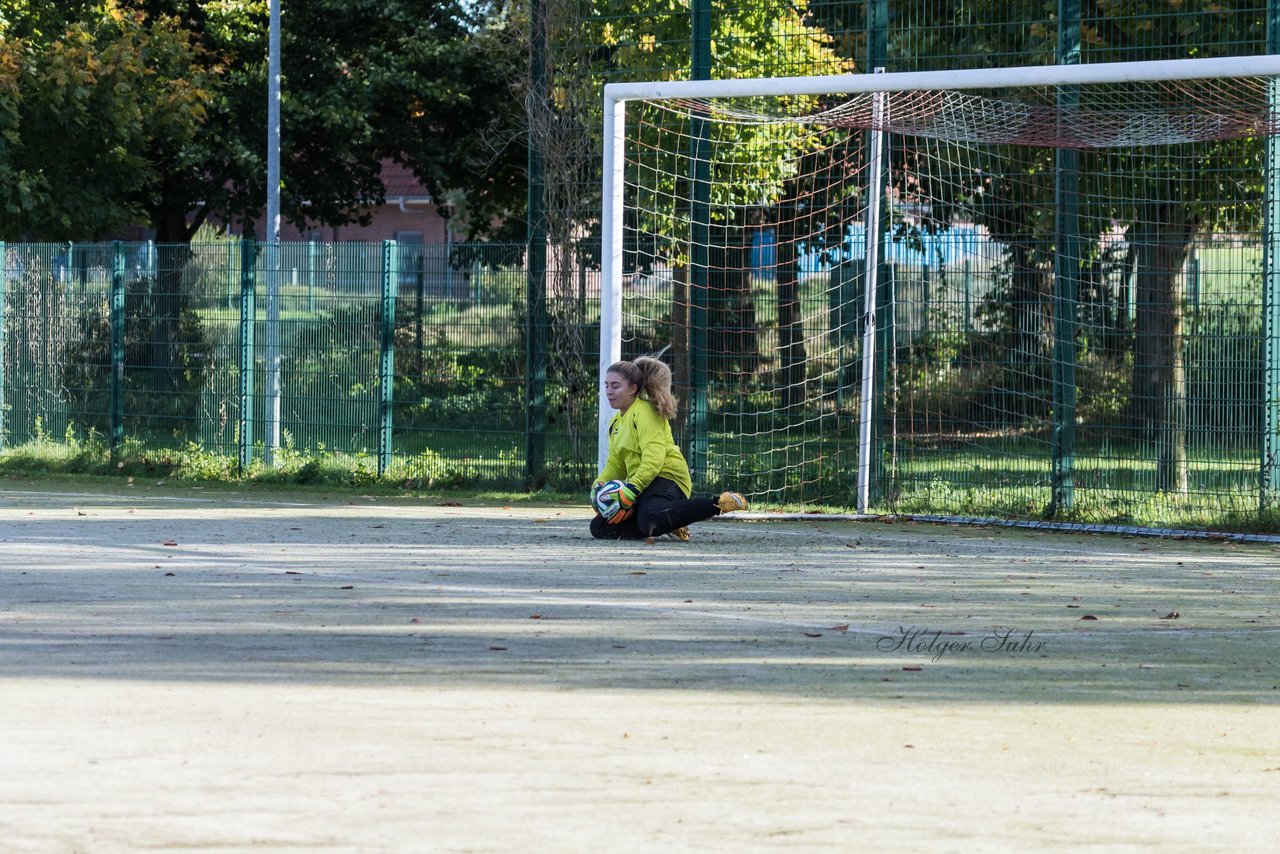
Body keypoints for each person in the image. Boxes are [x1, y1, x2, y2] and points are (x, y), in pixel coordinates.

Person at [590, 356, 747, 541]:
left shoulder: (644, 412)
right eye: (606, 385)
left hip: (667, 477)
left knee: (649, 520)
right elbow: (616, 463)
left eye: (615, 386)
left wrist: (632, 488)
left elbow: (654, 459)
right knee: (599, 527)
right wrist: (599, 485)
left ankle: (719, 503)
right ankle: (670, 521)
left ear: (633, 389)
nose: (609, 391)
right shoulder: (615, 423)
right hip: (642, 483)